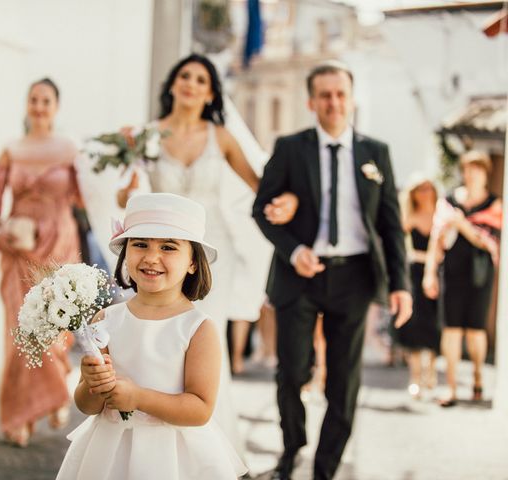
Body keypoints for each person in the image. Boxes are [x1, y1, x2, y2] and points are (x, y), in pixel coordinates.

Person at [116, 53, 297, 453]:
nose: (191, 84)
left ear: (211, 91)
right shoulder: (148, 135)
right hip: (161, 252)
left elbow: (258, 183)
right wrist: (129, 183)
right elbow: (123, 194)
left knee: (203, 334)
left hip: (212, 250)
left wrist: (287, 202)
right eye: (185, 76)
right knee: (163, 331)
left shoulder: (221, 137)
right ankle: (160, 429)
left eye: (200, 79)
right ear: (172, 84)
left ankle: (214, 444)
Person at [252, 61, 412, 480]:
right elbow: (261, 210)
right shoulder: (289, 147)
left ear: (352, 99)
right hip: (298, 276)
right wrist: (294, 250)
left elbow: (391, 224)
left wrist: (401, 285)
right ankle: (291, 453)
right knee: (292, 371)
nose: (334, 102)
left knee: (343, 381)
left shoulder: (376, 152)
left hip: (355, 277)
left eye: (340, 94)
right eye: (325, 95)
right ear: (311, 101)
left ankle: (325, 470)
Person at [57, 193, 247, 480]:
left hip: (173, 458)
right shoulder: (107, 319)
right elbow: (87, 405)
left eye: (169, 247)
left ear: (193, 262)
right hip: (110, 453)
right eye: (140, 244)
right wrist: (92, 383)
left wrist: (138, 397)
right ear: (125, 252)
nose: (151, 257)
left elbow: (200, 409)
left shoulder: (198, 328)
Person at [0, 78, 83, 447]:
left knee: (52, 328)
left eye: (45, 100)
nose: (38, 106)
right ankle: (19, 415)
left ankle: (53, 393)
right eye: (33, 99)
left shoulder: (69, 149)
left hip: (59, 247)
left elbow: (89, 196)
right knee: (21, 331)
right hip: (19, 250)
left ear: (57, 106)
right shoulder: (13, 149)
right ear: (26, 105)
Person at [423, 151, 502, 407]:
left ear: (485, 173)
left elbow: (488, 240)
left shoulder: (494, 204)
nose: (471, 174)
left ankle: (478, 376)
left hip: (480, 275)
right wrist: (429, 272)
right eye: (468, 169)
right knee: (451, 328)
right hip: (452, 272)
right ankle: (452, 387)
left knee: (475, 329)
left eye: (477, 169)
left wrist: (462, 223)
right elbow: (436, 237)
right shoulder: (448, 201)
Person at [397, 174, 441, 399]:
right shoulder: (409, 217)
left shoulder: (441, 216)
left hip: (438, 275)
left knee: (435, 324)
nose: (425, 193)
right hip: (414, 275)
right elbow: (399, 245)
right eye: (420, 189)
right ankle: (415, 376)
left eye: (428, 189)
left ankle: (430, 371)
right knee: (414, 325)